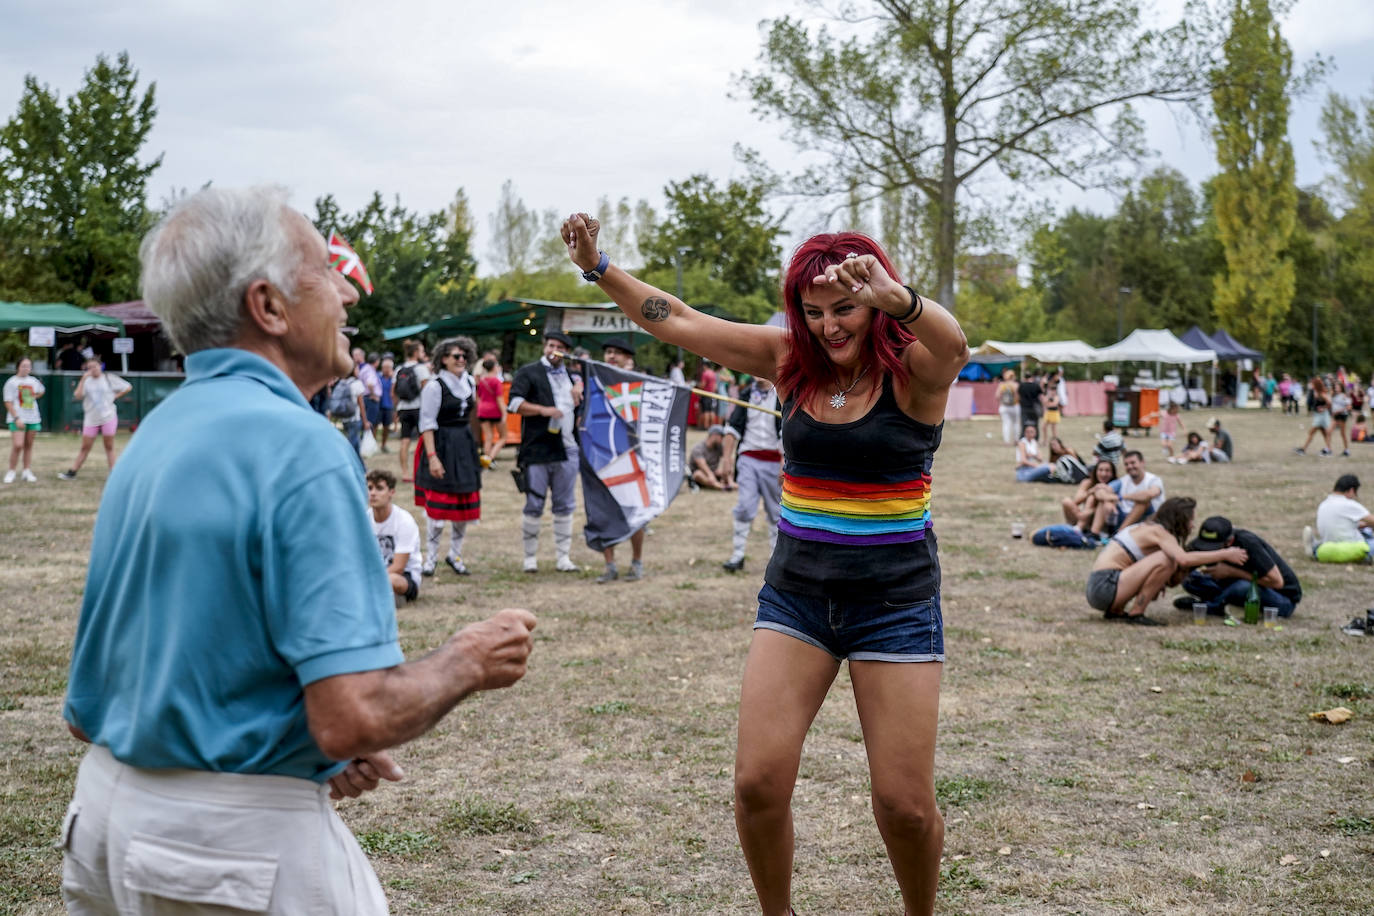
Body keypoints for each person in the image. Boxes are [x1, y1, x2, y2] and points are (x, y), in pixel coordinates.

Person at [60, 185, 536, 916]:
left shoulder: (158, 432)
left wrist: (292, 740)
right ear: (270, 307)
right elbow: (352, 715)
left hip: (103, 819)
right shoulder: (302, 446)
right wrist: (468, 659)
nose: (346, 291)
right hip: (231, 851)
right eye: (324, 269)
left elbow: (96, 702)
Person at [562, 212, 968, 916]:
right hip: (797, 599)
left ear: (875, 300)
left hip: (895, 603)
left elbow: (954, 343)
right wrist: (598, 267)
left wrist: (896, 296)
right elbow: (679, 320)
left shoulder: (914, 375)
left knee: (902, 806)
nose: (829, 326)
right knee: (757, 783)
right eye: (813, 312)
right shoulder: (788, 363)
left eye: (845, 308)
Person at [1085, 497, 1247, 624]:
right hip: (1105, 586)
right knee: (1167, 559)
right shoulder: (1158, 532)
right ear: (1180, 519)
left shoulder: (1147, 527)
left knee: (1167, 560)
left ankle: (1117, 611)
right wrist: (1225, 554)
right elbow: (1183, 559)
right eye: (1190, 520)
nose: (1192, 525)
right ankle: (1136, 613)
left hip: (1100, 588)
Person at [508, 330, 582, 573]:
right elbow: (514, 403)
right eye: (551, 345)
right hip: (538, 447)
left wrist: (580, 384)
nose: (554, 350)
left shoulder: (573, 376)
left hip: (568, 449)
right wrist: (543, 410)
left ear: (566, 352)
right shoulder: (528, 372)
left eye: (559, 347)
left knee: (564, 505)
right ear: (545, 347)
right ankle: (530, 558)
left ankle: (563, 558)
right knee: (534, 504)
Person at [414, 336, 483, 577]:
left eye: (464, 356)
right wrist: (432, 457)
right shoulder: (435, 386)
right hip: (442, 445)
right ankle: (430, 558)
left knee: (462, 504)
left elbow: (473, 417)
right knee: (438, 506)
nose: (461, 359)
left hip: (464, 446)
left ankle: (455, 553)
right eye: (456, 356)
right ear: (443, 359)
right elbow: (427, 424)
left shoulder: (470, 382)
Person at [593, 337, 647, 583]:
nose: (611, 356)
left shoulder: (640, 384)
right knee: (603, 511)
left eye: (616, 353)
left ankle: (636, 561)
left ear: (629, 359)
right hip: (604, 454)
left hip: (633, 453)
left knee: (635, 511)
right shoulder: (597, 382)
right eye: (608, 352)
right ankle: (609, 564)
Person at [1177, 516, 1302, 618]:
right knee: (1191, 579)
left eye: (1214, 547)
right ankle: (1224, 602)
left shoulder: (1248, 543)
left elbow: (1277, 582)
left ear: (1229, 542)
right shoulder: (1206, 541)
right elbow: (1185, 561)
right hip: (1232, 585)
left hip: (1281, 600)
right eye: (1205, 546)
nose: (1209, 550)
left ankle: (1212, 606)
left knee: (1242, 587)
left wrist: (1232, 572)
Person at [720, 376, 783, 573]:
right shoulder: (746, 394)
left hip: (775, 461)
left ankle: (776, 560)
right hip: (749, 459)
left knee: (776, 511)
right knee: (745, 506)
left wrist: (785, 460)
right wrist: (727, 459)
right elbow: (732, 428)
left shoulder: (782, 393)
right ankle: (737, 555)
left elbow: (788, 429)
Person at [58, 358, 133, 480]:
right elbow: (77, 395)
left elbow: (128, 387)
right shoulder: (87, 381)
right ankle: (72, 472)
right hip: (91, 418)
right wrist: (83, 379)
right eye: (90, 367)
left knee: (109, 446)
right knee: (85, 447)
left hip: (108, 416)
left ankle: (114, 474)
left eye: (95, 366)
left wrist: (115, 396)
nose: (93, 369)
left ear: (100, 366)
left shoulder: (109, 378)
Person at [367, 468, 422, 602]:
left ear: (391, 492)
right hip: (373, 575)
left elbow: (398, 567)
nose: (373, 493)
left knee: (392, 580)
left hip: (403, 576)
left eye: (379, 488)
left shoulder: (404, 521)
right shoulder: (364, 519)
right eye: (370, 488)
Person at [1303, 473, 1374, 562]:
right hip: (1351, 545)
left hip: (1328, 544)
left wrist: (1364, 525)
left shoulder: (1324, 504)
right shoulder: (1349, 504)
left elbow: (1342, 524)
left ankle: (1315, 547)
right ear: (1351, 490)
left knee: (1365, 530)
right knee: (1369, 537)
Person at [3, 356, 45, 483]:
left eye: (28, 366)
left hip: (33, 417)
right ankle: (11, 471)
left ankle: (26, 471)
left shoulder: (33, 381)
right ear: (18, 367)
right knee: (18, 445)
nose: (26, 368)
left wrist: (34, 397)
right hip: (17, 418)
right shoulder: (11, 382)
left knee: (28, 445)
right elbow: (8, 401)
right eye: (23, 365)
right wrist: (16, 418)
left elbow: (41, 391)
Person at [395, 339, 431, 480]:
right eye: (421, 351)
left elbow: (394, 391)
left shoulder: (399, 369)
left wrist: (395, 409)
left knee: (405, 440)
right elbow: (427, 390)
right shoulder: (421, 369)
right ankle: (423, 470)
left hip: (403, 408)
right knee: (425, 439)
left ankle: (405, 473)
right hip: (419, 408)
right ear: (416, 353)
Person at [1061, 458, 1121, 540]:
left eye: (1107, 471)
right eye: (1100, 470)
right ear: (1096, 471)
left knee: (1092, 498)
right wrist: (1092, 491)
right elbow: (1076, 501)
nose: (1103, 474)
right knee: (1066, 501)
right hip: (1084, 517)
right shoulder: (1087, 482)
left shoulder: (1115, 485)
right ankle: (1078, 528)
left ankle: (1080, 528)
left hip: (1102, 520)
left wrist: (1092, 509)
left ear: (1112, 473)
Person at [476, 355, 507, 468]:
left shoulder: (482, 381)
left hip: (482, 410)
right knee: (503, 437)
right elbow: (499, 399)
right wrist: (504, 413)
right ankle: (490, 458)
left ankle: (485, 459)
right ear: (494, 367)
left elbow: (478, 397)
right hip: (495, 411)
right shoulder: (496, 381)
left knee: (488, 437)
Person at [690, 425, 735, 490]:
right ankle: (721, 487)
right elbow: (702, 465)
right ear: (714, 435)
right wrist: (710, 475)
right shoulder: (698, 448)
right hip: (701, 474)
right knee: (698, 474)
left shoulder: (718, 447)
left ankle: (730, 484)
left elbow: (727, 458)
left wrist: (726, 471)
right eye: (721, 436)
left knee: (723, 471)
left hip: (713, 473)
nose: (723, 439)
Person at [1295, 377, 1333, 456]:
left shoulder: (1322, 394)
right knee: (1324, 433)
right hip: (1317, 415)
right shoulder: (1315, 392)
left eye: (1312, 384)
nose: (1311, 385)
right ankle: (1328, 449)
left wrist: (1323, 408)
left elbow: (1329, 403)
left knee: (1311, 432)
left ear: (1316, 385)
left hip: (1321, 416)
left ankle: (1303, 449)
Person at [994, 367, 1020, 445]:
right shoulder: (1015, 385)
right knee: (1016, 423)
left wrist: (1002, 402)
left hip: (1004, 406)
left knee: (1006, 424)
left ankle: (1006, 441)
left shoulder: (1002, 385)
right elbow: (1018, 396)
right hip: (1014, 406)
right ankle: (1016, 440)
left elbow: (997, 396)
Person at [1017, 367, 1043, 441]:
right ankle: (1036, 438)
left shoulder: (1021, 385)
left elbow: (1018, 396)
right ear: (1031, 377)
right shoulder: (1036, 385)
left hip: (1024, 407)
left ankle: (1022, 438)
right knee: (1035, 424)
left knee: (1024, 424)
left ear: (1025, 378)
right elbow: (1041, 396)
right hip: (1034, 407)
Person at [376, 355, 395, 454]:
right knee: (374, 425)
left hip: (388, 406)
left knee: (386, 427)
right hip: (378, 405)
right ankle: (374, 445)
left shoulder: (394, 379)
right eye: (384, 367)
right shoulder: (377, 377)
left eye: (388, 367)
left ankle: (384, 445)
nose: (386, 369)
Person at [1331, 384, 1353, 456]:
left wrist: (1339, 411)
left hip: (1342, 416)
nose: (1336, 388)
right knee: (1329, 431)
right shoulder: (1334, 395)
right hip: (1335, 415)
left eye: (1338, 387)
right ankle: (1328, 449)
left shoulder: (1344, 396)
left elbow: (1349, 407)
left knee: (1342, 434)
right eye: (1335, 387)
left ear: (1341, 388)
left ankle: (1347, 450)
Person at [698, 360, 719, 429]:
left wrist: (698, 387)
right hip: (712, 394)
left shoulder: (705, 373)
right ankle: (712, 427)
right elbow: (715, 386)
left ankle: (705, 426)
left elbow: (703, 385)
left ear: (705, 366)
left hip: (705, 394)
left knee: (705, 411)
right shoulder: (713, 373)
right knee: (712, 411)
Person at [1042, 372, 1063, 441]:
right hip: (1049, 411)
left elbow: (1053, 404)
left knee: (1053, 428)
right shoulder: (1048, 390)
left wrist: (1047, 403)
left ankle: (1055, 440)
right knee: (1044, 427)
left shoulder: (1056, 395)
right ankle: (1045, 440)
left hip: (1054, 411)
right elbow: (1045, 402)